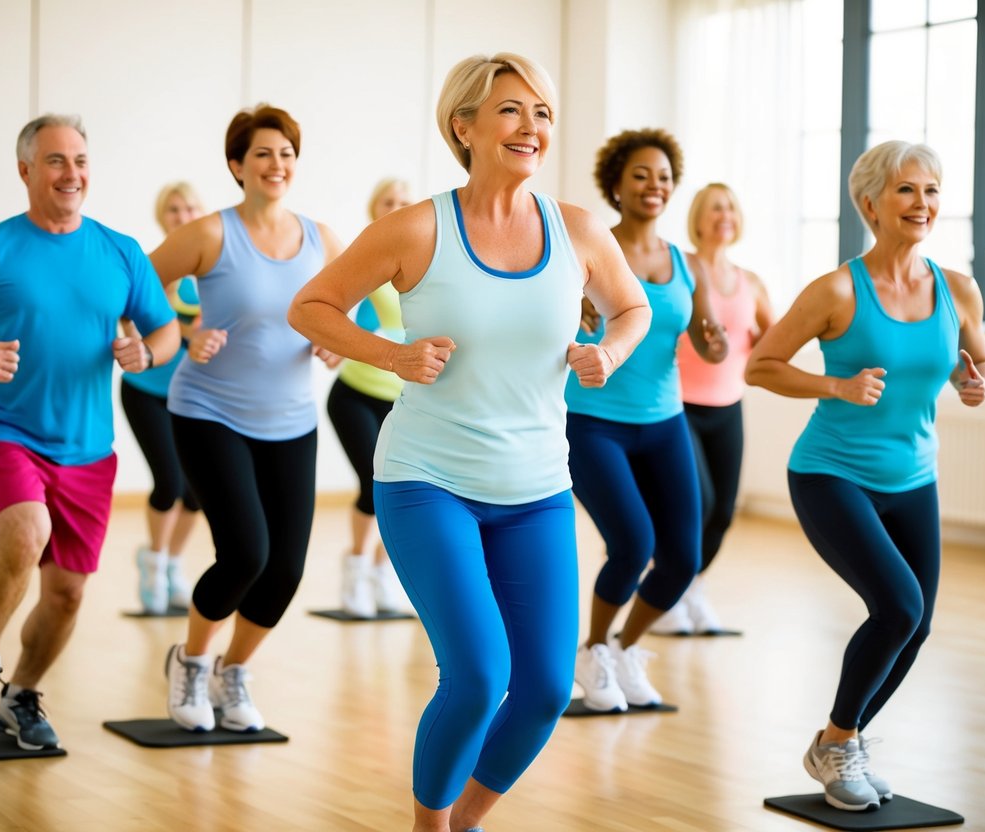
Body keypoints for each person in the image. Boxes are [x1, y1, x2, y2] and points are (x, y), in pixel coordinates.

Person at [289, 53, 651, 832]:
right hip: (428, 481)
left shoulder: (577, 230)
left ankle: (466, 821)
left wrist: (610, 353)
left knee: (549, 685)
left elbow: (630, 309)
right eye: (512, 111)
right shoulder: (418, 227)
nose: (532, 128)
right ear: (465, 126)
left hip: (536, 490)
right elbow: (311, 306)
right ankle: (429, 827)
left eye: (543, 114)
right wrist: (388, 354)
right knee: (480, 675)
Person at [0, 114, 179, 750]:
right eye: (56, 160)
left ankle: (22, 694)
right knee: (27, 533)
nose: (72, 173)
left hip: (88, 448)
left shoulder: (120, 252)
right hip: (2, 428)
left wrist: (147, 355)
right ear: (26, 170)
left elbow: (166, 330)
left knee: (65, 595)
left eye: (81, 159)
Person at [746, 141, 985, 811]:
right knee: (898, 607)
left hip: (913, 477)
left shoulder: (957, 288)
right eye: (907, 191)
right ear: (870, 204)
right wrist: (835, 385)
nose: (923, 204)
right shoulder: (834, 290)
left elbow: (977, 361)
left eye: (932, 191)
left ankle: (838, 740)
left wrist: (974, 383)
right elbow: (760, 365)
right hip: (831, 473)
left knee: (916, 625)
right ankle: (836, 742)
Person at [152, 105, 344, 736]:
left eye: (286, 153)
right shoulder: (211, 234)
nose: (276, 165)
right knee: (245, 554)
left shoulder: (321, 239)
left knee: (285, 569)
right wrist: (184, 331)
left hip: (291, 419)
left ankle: (233, 672)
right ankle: (191, 660)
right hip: (209, 412)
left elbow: (343, 316)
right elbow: (136, 288)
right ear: (237, 165)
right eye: (262, 154)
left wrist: (334, 343)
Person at [569, 128, 729, 713]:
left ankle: (625, 649)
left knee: (683, 557)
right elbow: (558, 327)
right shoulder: (589, 250)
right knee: (633, 543)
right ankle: (592, 650)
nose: (654, 186)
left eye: (663, 176)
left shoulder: (686, 265)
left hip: (665, 423)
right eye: (641, 174)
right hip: (594, 422)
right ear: (616, 184)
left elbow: (706, 344)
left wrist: (713, 345)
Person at [653, 183, 774, 634]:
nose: (725, 214)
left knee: (723, 509)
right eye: (715, 208)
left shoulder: (752, 283)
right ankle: (665, 592)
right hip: (678, 405)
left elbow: (772, 338)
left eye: (731, 207)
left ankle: (689, 590)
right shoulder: (679, 268)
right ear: (698, 219)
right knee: (695, 502)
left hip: (728, 407)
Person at [329, 177, 414, 618]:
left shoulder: (425, 266)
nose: (396, 207)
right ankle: (355, 573)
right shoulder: (365, 262)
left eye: (404, 202)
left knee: (398, 490)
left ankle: (383, 576)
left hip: (405, 402)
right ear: (373, 208)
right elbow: (337, 313)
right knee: (371, 484)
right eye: (388, 201)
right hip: (355, 396)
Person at [121, 182, 206, 613]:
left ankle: (172, 562)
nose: (183, 215)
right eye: (174, 209)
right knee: (168, 480)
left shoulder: (212, 270)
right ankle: (153, 561)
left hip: (192, 394)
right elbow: (126, 317)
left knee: (195, 491)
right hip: (147, 392)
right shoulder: (155, 267)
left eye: (190, 207)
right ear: (162, 216)